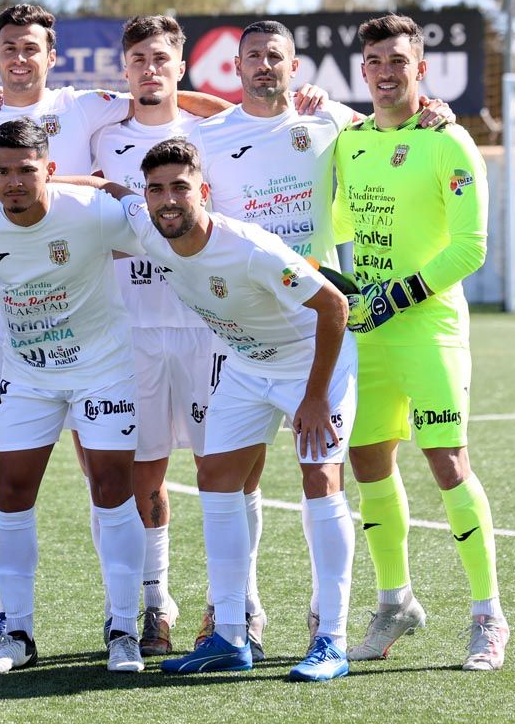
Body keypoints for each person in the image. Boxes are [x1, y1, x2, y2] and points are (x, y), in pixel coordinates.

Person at [0, 3, 231, 656]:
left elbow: (155, 111)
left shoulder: (88, 107)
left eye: (33, 48)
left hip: (138, 321)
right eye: (10, 48)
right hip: (29, 323)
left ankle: (165, 612)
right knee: (58, 475)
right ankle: (42, 617)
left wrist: (47, 182)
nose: (21, 59)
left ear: (55, 56)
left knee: (163, 473)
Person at [191, 20, 453, 656]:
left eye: (274, 56)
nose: (262, 67)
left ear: (295, 65)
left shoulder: (333, 120)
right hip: (244, 334)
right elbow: (155, 121)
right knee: (232, 475)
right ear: (236, 66)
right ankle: (238, 616)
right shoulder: (208, 134)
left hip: (320, 326)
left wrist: (435, 114)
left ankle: (323, 624)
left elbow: (394, 118)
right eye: (251, 57)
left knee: (322, 476)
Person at [97, 137, 357, 681]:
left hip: (312, 364)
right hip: (244, 364)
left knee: (320, 480)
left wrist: (312, 397)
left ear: (204, 192)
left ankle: (331, 639)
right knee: (216, 478)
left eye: (180, 188)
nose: (167, 200)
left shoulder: (250, 248)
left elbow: (334, 306)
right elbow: (108, 187)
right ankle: (230, 635)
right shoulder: (149, 225)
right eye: (157, 189)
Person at [332, 13, 507, 671]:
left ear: (420, 67)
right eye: (374, 61)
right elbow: (338, 218)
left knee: (446, 464)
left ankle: (488, 615)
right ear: (363, 69)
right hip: (366, 334)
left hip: (428, 329)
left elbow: (471, 247)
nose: (385, 72)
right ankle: (393, 602)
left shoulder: (450, 142)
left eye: (397, 61)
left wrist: (394, 297)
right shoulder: (350, 142)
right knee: (369, 464)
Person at [0, 118, 148, 674]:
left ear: (51, 171)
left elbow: (156, 224)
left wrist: (105, 185)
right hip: (28, 377)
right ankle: (16, 632)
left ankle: (125, 628)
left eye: (26, 171)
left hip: (101, 371)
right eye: (3, 172)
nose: (13, 182)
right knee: (11, 491)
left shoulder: (92, 214)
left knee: (112, 488)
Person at [89, 15, 213, 657]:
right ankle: (153, 603)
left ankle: (232, 606)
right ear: (125, 68)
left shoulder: (211, 131)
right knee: (145, 477)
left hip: (206, 324)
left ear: (180, 65)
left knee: (230, 472)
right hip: (129, 328)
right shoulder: (102, 136)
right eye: (138, 58)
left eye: (161, 58)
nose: (149, 69)